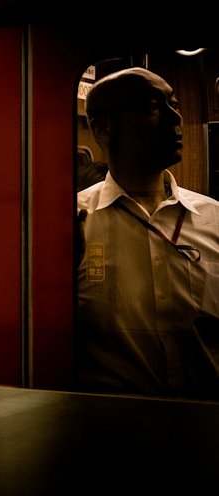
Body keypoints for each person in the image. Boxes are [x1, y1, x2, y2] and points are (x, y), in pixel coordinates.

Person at [76, 67, 219, 399]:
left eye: (174, 104)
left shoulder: (213, 218)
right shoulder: (74, 221)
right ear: (104, 127)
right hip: (110, 427)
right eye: (154, 106)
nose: (176, 118)